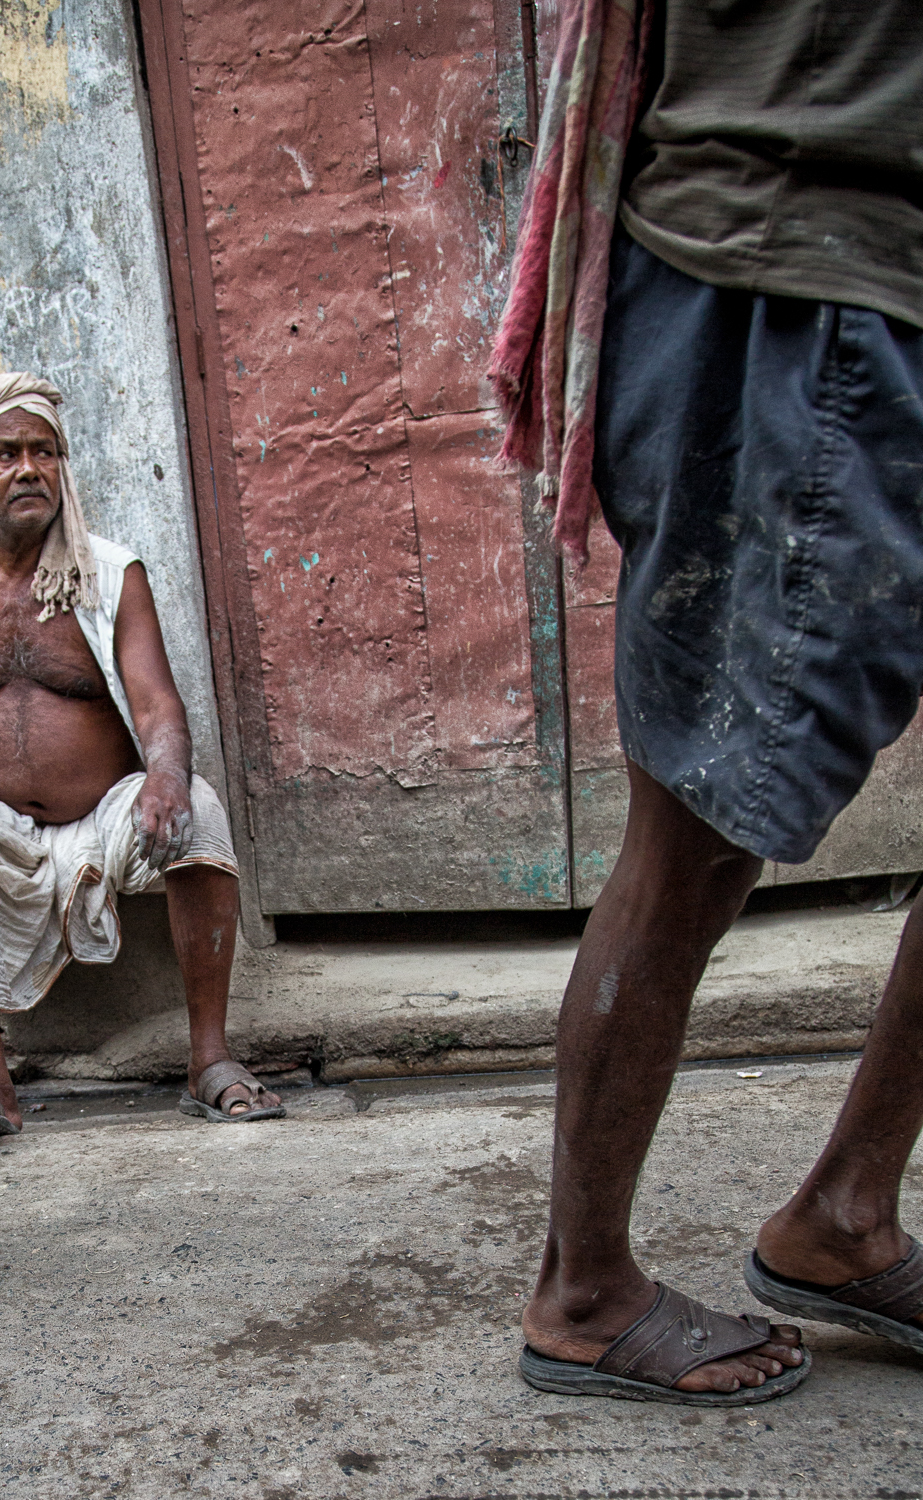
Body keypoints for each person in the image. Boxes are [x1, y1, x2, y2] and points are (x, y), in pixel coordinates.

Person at [506, 0, 923, 1404]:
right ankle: (582, 1289)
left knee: (703, 820)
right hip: (808, 284)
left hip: (860, 277)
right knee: (699, 826)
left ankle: (845, 1215)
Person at [0, 372, 283, 1141]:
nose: (29, 468)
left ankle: (208, 1061)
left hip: (107, 813)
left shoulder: (110, 572)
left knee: (200, 814)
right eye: (5, 454)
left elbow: (157, 705)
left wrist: (167, 777)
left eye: (45, 451)